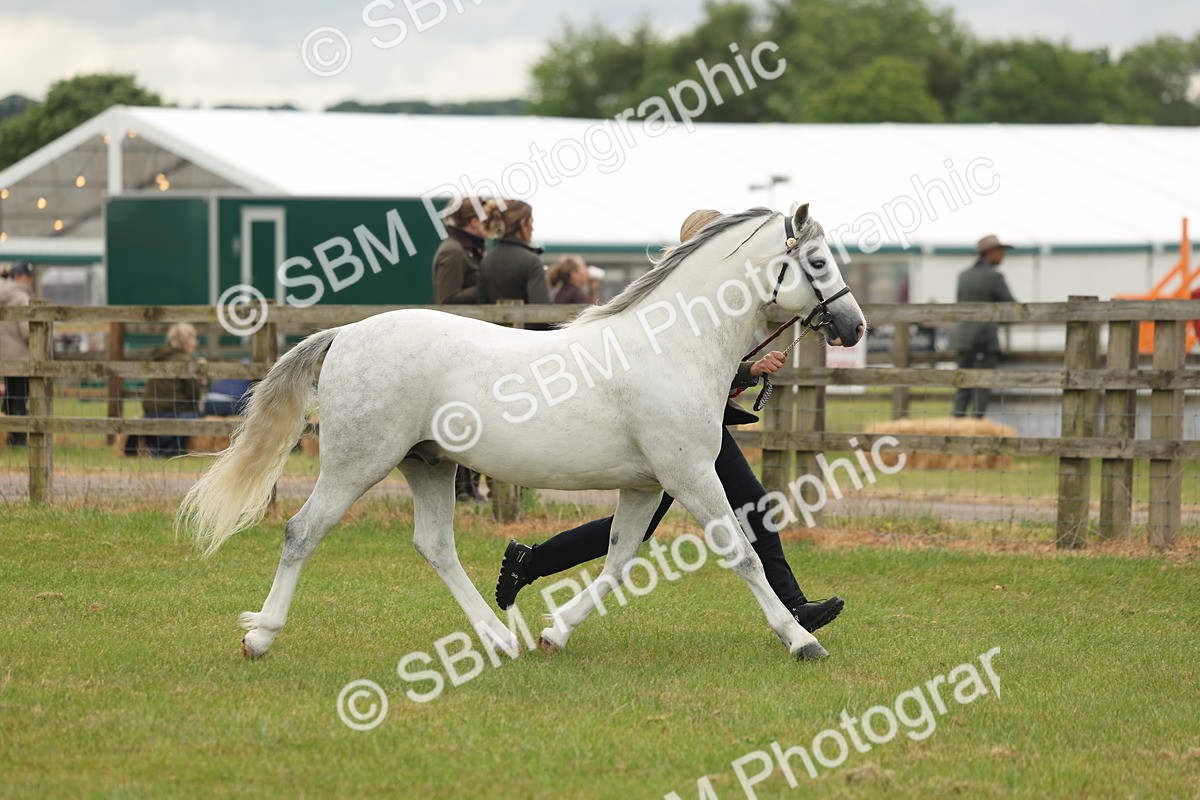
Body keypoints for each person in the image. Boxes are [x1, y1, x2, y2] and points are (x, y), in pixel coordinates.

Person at [493, 209, 845, 634]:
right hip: (675, 430)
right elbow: (676, 373)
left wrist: (749, 369)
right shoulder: (678, 304)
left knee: (653, 525)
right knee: (749, 507)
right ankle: (791, 611)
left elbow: (704, 373)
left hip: (689, 427)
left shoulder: (713, 301)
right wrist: (748, 371)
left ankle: (529, 562)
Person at [950, 234, 1017, 419]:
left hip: (963, 338)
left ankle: (956, 425)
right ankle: (976, 426)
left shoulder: (963, 275)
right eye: (1000, 251)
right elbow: (1012, 306)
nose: (1002, 255)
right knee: (981, 385)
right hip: (984, 339)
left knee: (962, 384)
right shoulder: (994, 276)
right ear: (991, 253)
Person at [135, 323, 202, 457]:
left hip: (150, 412)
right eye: (192, 338)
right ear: (183, 341)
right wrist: (199, 375)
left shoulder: (158, 359)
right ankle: (173, 451)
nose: (196, 343)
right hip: (174, 412)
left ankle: (159, 450)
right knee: (197, 415)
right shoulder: (186, 361)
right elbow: (193, 394)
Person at [477, 199, 550, 307]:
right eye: (531, 222)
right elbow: (542, 309)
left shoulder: (486, 261)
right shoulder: (532, 261)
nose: (533, 228)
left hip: (492, 323)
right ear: (523, 223)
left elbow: (482, 302)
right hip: (526, 324)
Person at [0, 262, 34, 447]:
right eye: (29, 277)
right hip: (20, 356)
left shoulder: (3, 294)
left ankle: (5, 437)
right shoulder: (22, 298)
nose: (30, 281)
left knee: (9, 398)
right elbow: (27, 330)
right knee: (20, 399)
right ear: (20, 276)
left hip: (4, 355)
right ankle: (18, 439)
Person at [432, 199, 485, 304]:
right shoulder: (452, 251)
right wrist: (486, 288)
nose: (490, 224)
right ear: (475, 222)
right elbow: (447, 301)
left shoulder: (468, 249)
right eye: (487, 219)